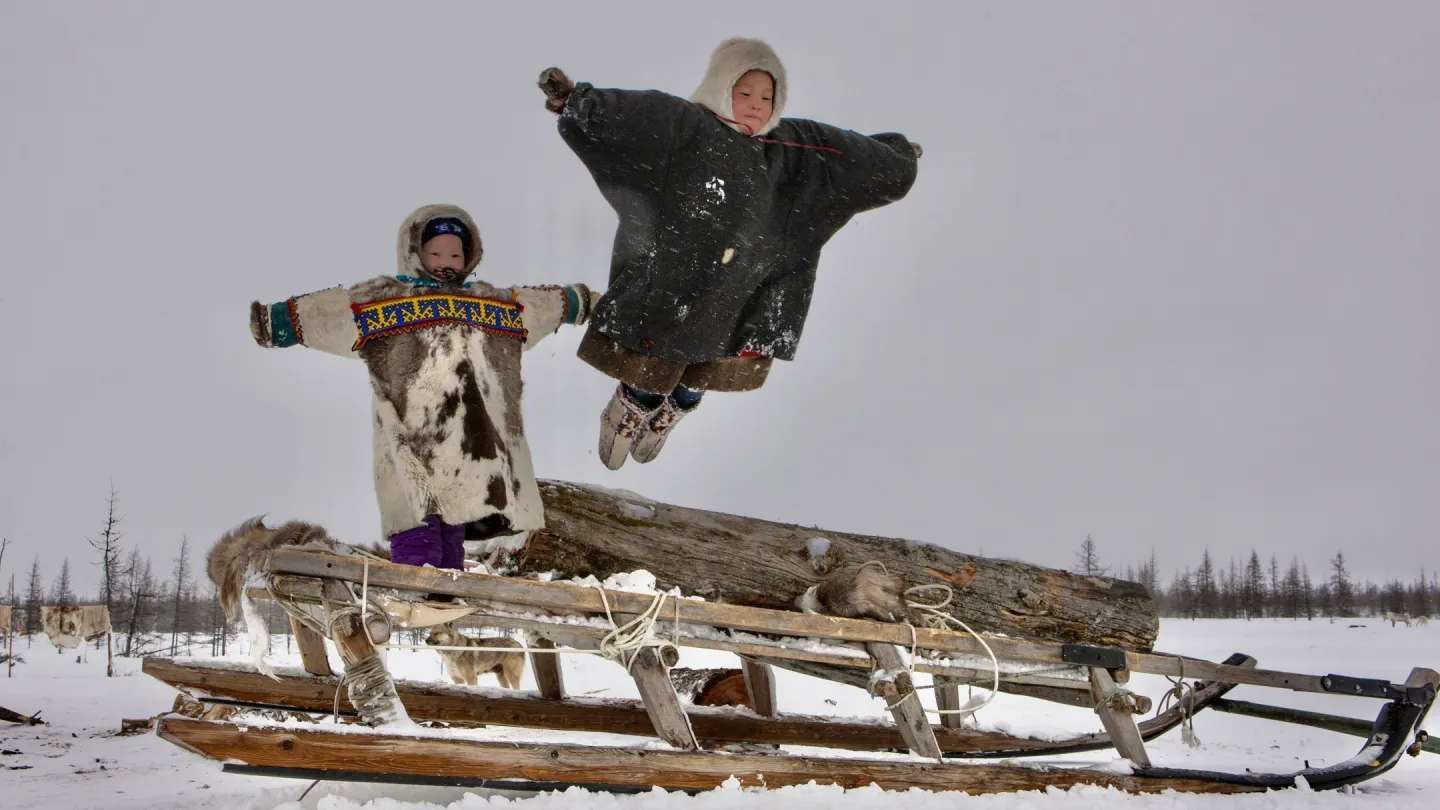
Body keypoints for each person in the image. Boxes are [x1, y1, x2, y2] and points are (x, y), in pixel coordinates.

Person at [538, 37, 920, 469]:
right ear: (723, 87)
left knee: (706, 370)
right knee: (658, 356)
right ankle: (632, 407)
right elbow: (638, 117)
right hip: (678, 277)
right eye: (745, 93)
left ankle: (674, 410)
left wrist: (897, 159)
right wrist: (576, 101)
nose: (757, 105)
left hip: (744, 287)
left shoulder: (793, 149)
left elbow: (849, 156)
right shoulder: (689, 127)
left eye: (767, 96)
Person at [248, 204, 599, 570]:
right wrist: (275, 322)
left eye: (455, 253)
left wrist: (581, 302)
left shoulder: (493, 304)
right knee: (414, 512)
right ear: (414, 252)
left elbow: (538, 306)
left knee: (456, 518)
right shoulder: (386, 299)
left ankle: (447, 588)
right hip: (411, 432)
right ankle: (416, 579)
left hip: (472, 439)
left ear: (470, 255)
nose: (445, 260)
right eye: (435, 252)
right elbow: (333, 314)